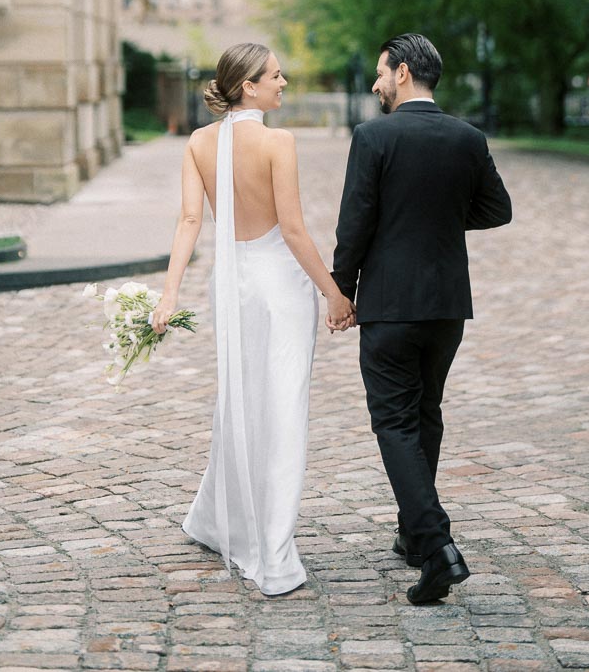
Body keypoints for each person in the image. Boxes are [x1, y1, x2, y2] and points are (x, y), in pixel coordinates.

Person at [151, 42, 355, 596]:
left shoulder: (198, 142)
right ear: (248, 86)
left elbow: (191, 219)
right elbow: (291, 229)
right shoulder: (276, 142)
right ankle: (272, 549)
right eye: (275, 75)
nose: (284, 81)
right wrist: (334, 294)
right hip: (279, 286)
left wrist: (168, 296)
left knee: (237, 398)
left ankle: (219, 520)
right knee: (282, 405)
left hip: (232, 285)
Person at [331, 32, 512, 605]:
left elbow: (355, 224)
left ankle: (436, 548)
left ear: (403, 72)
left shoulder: (373, 136)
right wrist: (435, 221)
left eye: (382, 73)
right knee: (425, 413)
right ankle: (414, 535)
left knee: (394, 422)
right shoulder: (467, 136)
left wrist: (341, 290)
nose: (378, 83)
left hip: (390, 304)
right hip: (446, 306)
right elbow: (497, 209)